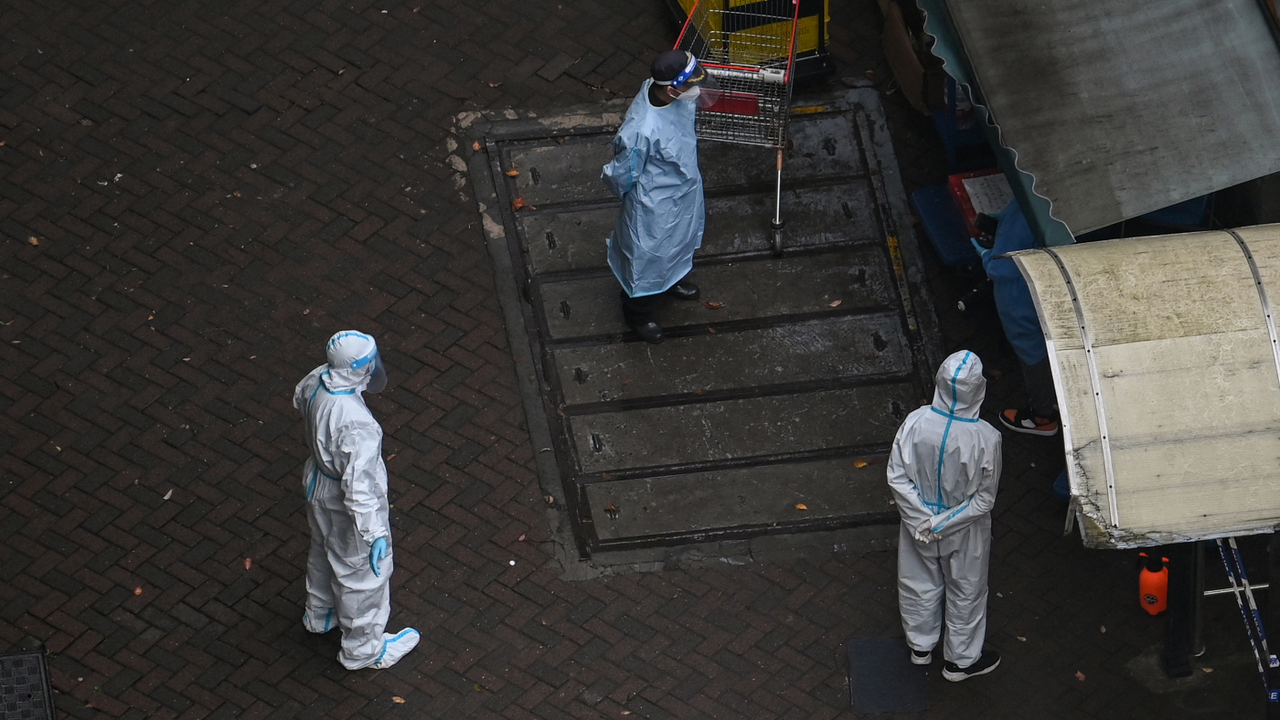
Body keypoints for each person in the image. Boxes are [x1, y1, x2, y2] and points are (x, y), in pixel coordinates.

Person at [293, 330, 419, 670]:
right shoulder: (356, 423)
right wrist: (373, 533)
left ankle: (320, 614)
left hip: (318, 482)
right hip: (344, 500)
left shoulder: (318, 379)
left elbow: (299, 400)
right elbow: (358, 488)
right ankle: (363, 651)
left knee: (323, 549)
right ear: (358, 367)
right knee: (361, 577)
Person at [887, 350, 1002, 681]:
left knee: (918, 583)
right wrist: (943, 524)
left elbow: (897, 476)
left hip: (916, 525)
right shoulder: (985, 438)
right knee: (966, 590)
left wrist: (922, 521)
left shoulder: (916, 422)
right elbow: (984, 499)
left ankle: (920, 647)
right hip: (964, 530)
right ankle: (960, 662)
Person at [601, 49, 720, 344]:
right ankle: (637, 314)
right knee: (645, 259)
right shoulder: (641, 130)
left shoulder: (670, 94)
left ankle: (670, 281)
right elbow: (622, 174)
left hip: (682, 191)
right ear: (670, 89)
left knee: (679, 242)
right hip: (654, 206)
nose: (697, 90)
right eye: (691, 85)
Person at [979, 200, 1059, 436]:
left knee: (1032, 355)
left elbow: (999, 268)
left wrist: (985, 255)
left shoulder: (1022, 210)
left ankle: (1043, 416)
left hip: (1020, 298)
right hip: (1053, 286)